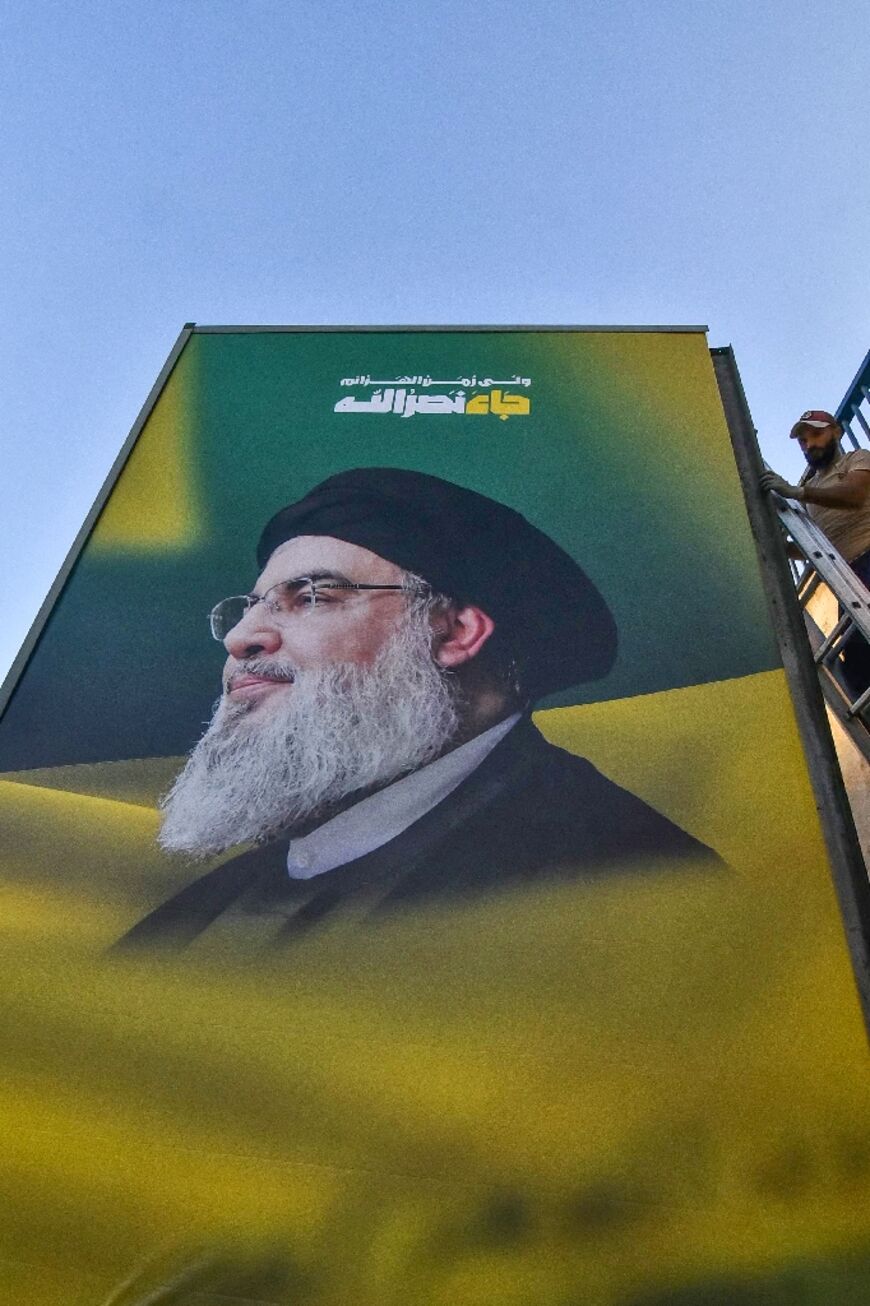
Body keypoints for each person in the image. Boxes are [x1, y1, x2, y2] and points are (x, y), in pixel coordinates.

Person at [117, 468, 717, 953]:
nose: (241, 638)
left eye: (313, 598)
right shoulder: (190, 923)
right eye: (249, 607)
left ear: (456, 633)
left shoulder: (626, 880)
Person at [760, 409, 870, 694]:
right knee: (857, 667)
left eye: (817, 434)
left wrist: (797, 493)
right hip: (848, 577)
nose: (810, 444)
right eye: (803, 441)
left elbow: (855, 496)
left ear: (836, 432)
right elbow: (819, 544)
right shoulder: (812, 489)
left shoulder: (857, 459)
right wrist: (780, 547)